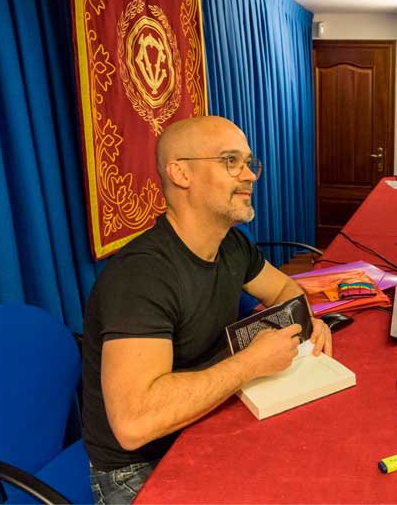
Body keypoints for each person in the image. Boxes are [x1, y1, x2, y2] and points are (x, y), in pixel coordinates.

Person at [81, 116, 332, 504]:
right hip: (139, 467)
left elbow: (284, 289)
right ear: (181, 173)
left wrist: (304, 320)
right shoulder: (141, 276)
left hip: (205, 419)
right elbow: (134, 423)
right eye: (231, 161)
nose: (250, 175)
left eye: (249, 162)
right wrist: (250, 363)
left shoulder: (232, 243)